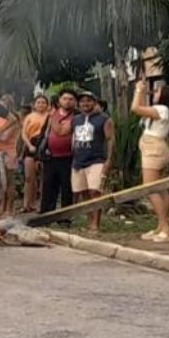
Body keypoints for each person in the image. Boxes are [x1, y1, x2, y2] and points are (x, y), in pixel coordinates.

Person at [131, 79, 169, 242]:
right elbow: (143, 108)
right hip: (155, 148)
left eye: (157, 92)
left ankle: (165, 227)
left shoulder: (162, 109)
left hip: (154, 149)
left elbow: (135, 108)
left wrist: (137, 90)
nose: (155, 94)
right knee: (159, 189)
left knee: (150, 188)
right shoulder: (162, 110)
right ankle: (161, 225)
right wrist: (143, 92)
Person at [69, 89, 113, 232]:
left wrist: (109, 160)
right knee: (84, 193)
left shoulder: (104, 119)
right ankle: (89, 222)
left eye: (88, 100)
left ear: (94, 102)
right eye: (82, 101)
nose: (85, 103)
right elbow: (73, 137)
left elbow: (111, 139)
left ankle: (96, 224)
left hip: (96, 160)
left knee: (95, 191)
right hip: (79, 160)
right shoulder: (75, 119)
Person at [38, 90, 77, 215]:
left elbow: (62, 132)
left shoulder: (77, 116)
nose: (67, 101)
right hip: (50, 157)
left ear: (75, 102)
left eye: (71, 99)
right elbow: (44, 134)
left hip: (68, 157)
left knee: (67, 188)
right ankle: (46, 214)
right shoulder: (51, 116)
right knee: (48, 186)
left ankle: (65, 217)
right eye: (65, 98)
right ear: (59, 100)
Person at [0, 92, 21, 216]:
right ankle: (2, 208)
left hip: (8, 153)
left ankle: (10, 209)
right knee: (1, 183)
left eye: (5, 101)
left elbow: (5, 137)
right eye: (1, 100)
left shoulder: (14, 118)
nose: (2, 103)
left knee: (9, 181)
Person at [20, 94, 49, 212]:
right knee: (29, 177)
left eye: (43, 102)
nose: (41, 104)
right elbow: (23, 134)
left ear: (47, 105)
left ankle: (40, 204)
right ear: (34, 104)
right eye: (38, 102)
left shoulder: (50, 117)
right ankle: (27, 204)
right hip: (31, 145)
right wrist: (29, 145)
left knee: (43, 177)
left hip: (44, 145)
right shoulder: (30, 117)